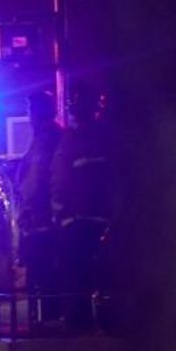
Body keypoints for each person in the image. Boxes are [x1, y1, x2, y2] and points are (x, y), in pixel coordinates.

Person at [51, 83, 111, 333]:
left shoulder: (74, 140)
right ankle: (94, 321)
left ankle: (80, 323)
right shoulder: (102, 138)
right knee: (93, 273)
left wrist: (61, 213)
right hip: (95, 219)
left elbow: (59, 180)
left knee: (78, 274)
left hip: (81, 220)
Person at [14, 90, 64, 323]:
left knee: (45, 272)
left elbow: (39, 179)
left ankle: (48, 319)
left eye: (31, 109)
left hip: (44, 218)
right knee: (39, 272)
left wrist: (30, 209)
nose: (29, 115)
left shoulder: (49, 138)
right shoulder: (43, 138)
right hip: (39, 217)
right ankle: (43, 317)